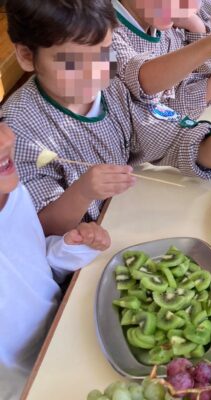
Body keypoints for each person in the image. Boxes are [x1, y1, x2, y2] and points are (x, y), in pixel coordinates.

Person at [2, 0, 211, 236]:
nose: (95, 72)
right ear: (27, 56)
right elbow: (38, 229)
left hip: (129, 222)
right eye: (73, 62)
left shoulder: (113, 88)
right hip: (81, 263)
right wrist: (82, 193)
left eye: (104, 53)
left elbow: (179, 142)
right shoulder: (16, 131)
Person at [0, 123, 110, 400]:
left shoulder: (12, 192)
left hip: (69, 330)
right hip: (34, 384)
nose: (5, 139)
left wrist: (71, 247)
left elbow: (32, 266)